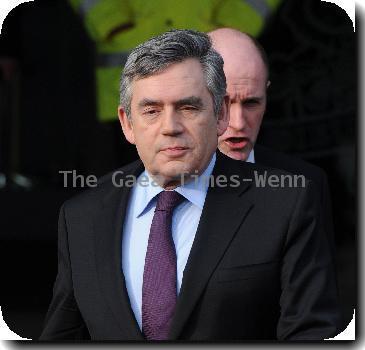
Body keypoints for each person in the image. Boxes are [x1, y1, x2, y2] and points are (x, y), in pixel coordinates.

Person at [40, 29, 341, 341]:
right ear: (127, 123)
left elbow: (310, 335)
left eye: (188, 107)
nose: (170, 127)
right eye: (152, 110)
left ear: (219, 114)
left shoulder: (285, 206)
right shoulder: (81, 218)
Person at [209, 27, 336, 258]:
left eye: (251, 103)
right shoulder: (147, 186)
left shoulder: (304, 187)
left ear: (266, 96)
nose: (237, 123)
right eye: (222, 104)